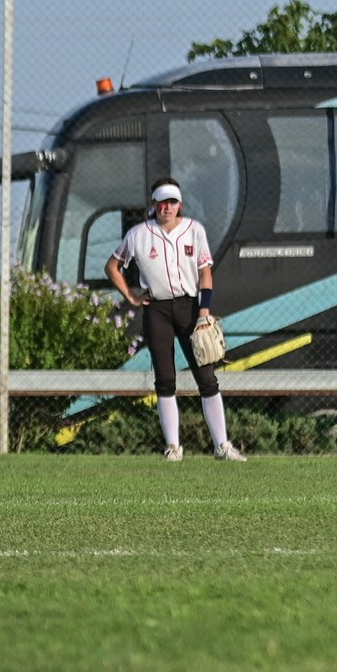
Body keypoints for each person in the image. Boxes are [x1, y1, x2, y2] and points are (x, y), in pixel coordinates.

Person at [106, 178, 247, 463]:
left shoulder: (194, 230)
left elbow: (205, 272)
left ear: (180, 204)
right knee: (165, 380)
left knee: (207, 378)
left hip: (190, 308)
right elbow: (112, 266)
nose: (167, 207)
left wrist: (204, 312)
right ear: (154, 204)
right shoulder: (138, 234)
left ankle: (222, 446)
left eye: (172, 202)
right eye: (162, 202)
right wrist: (132, 297)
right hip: (156, 309)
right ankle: (173, 447)